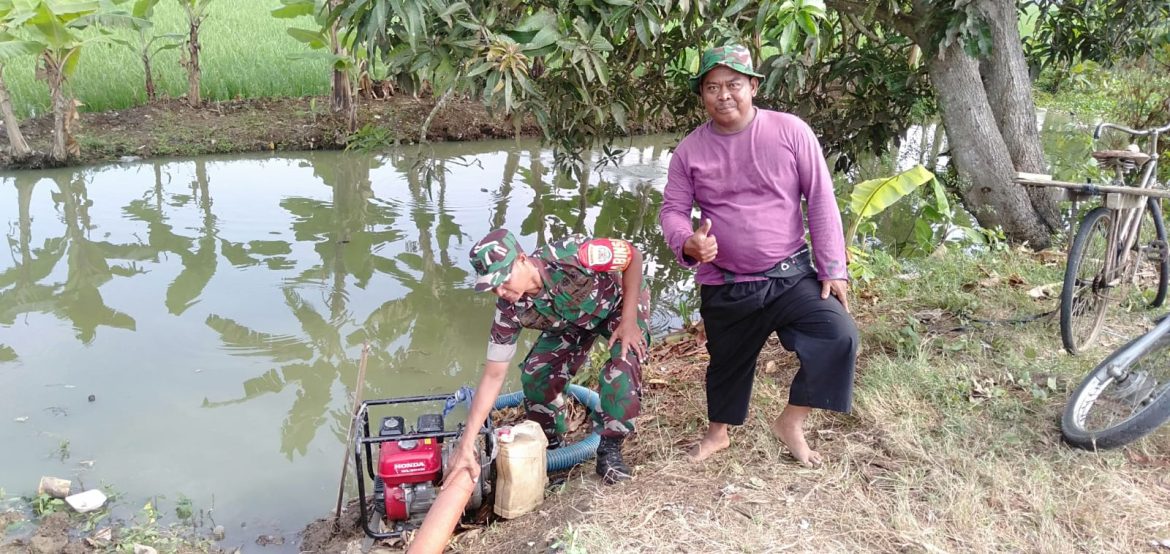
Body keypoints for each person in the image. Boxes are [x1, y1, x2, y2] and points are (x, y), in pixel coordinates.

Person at [658, 44, 859, 466]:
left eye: (734, 84)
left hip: (790, 274)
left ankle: (791, 422)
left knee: (838, 336)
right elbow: (673, 210)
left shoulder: (790, 131)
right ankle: (718, 434)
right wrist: (688, 243)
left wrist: (833, 268)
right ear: (702, 95)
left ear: (753, 86)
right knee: (727, 362)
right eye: (712, 87)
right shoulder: (690, 150)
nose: (724, 95)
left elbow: (820, 199)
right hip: (726, 281)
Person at [444, 228, 651, 486]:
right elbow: (493, 375)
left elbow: (633, 256)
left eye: (503, 279)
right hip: (571, 323)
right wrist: (465, 445)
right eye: (492, 287)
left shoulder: (574, 255)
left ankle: (610, 448)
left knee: (623, 364)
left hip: (619, 305)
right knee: (536, 374)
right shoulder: (509, 311)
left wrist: (630, 320)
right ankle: (551, 444)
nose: (501, 292)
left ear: (522, 259)